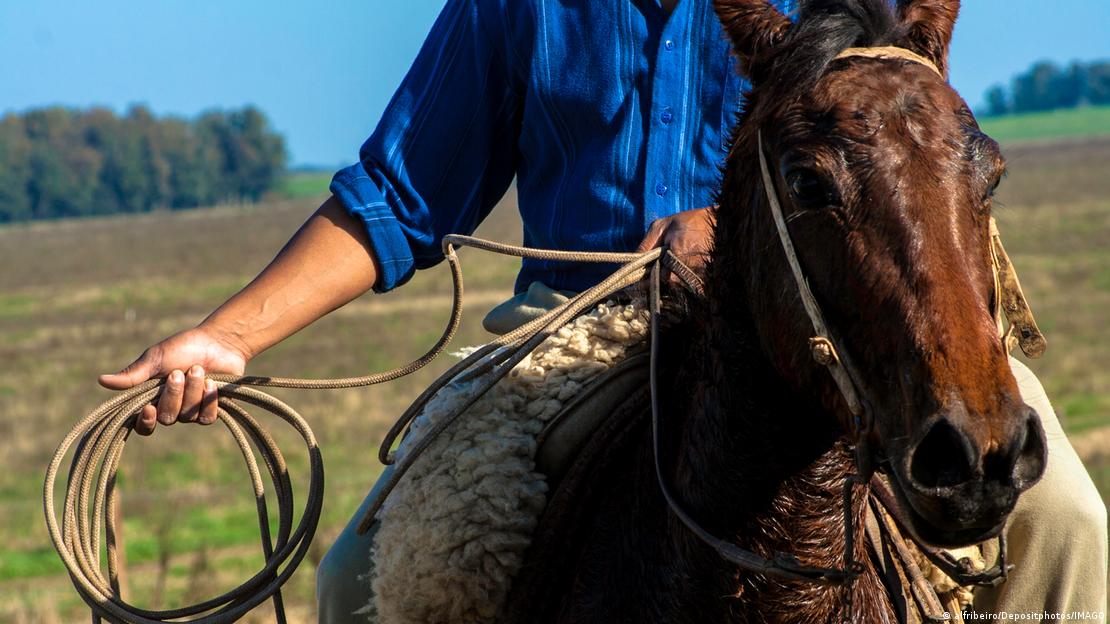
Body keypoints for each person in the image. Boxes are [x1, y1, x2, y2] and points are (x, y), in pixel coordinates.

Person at [99, 1, 1106, 622]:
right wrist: (224, 339)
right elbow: (399, 195)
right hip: (575, 330)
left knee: (1066, 524)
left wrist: (730, 221)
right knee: (362, 578)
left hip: (816, 327)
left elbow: (904, 151)